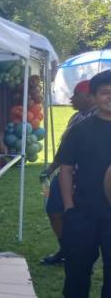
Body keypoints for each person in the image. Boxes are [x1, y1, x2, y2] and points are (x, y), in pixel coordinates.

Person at [56, 69, 111, 298]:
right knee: (77, 260)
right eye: (105, 93)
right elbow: (65, 168)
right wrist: (69, 206)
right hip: (84, 208)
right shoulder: (81, 130)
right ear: (94, 97)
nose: (110, 97)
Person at [39, 80, 95, 265]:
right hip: (65, 174)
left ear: (89, 97)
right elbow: (65, 148)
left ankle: (80, 254)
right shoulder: (76, 117)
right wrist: (52, 168)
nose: (71, 99)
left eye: (76, 94)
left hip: (86, 179)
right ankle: (66, 249)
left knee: (82, 219)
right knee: (54, 210)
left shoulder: (99, 120)